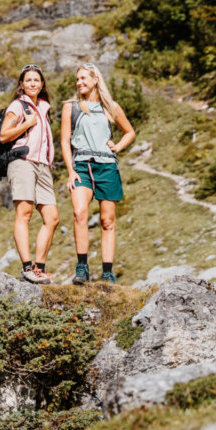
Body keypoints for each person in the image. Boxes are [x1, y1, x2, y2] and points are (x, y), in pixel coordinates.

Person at [60, 63, 135, 284]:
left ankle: (107, 273)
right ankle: (82, 268)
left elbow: (129, 131)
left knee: (107, 220)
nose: (79, 82)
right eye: (77, 79)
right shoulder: (71, 107)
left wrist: (118, 146)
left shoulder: (111, 107)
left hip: (107, 166)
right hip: (81, 165)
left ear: (95, 80)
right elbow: (65, 140)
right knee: (79, 212)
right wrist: (70, 170)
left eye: (84, 78)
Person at [0, 64, 59, 284]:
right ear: (22, 85)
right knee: (24, 214)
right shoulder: (17, 105)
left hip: (43, 165)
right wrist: (27, 124)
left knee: (52, 218)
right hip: (23, 163)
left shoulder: (44, 107)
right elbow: (4, 136)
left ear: (42, 84)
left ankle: (39, 267)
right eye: (29, 80)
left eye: (36, 80)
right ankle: (27, 267)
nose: (33, 83)